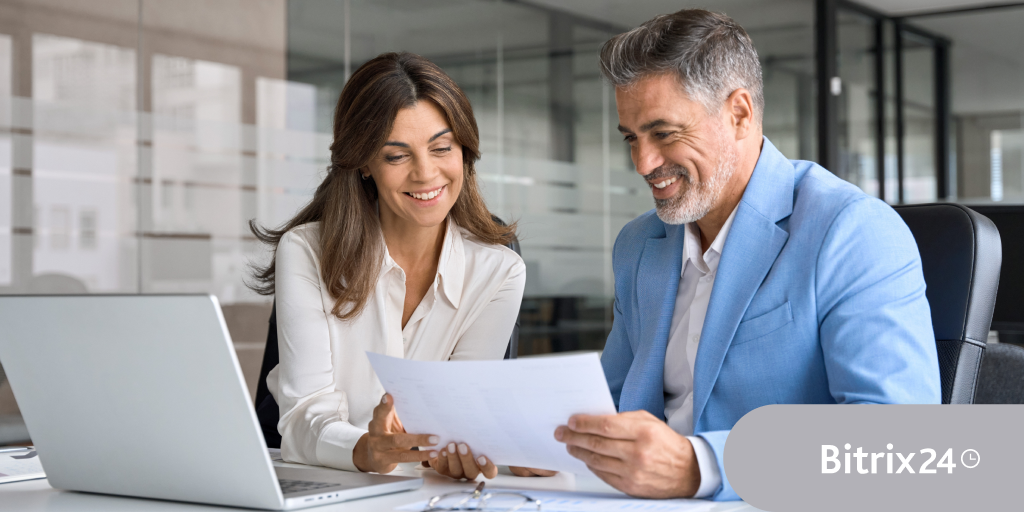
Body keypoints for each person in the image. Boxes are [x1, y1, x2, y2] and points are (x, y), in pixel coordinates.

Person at [553, 9, 941, 500]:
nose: (643, 163)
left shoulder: (851, 231)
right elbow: (605, 406)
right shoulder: (640, 245)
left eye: (664, 133)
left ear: (739, 113)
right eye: (632, 137)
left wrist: (704, 467)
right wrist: (530, 449)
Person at [248, 52, 540, 480]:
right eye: (396, 156)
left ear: (465, 152)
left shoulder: (500, 271)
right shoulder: (306, 251)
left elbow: (456, 422)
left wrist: (492, 447)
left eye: (442, 148)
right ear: (364, 163)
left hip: (421, 491)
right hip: (322, 485)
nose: (426, 174)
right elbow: (301, 420)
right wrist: (367, 449)